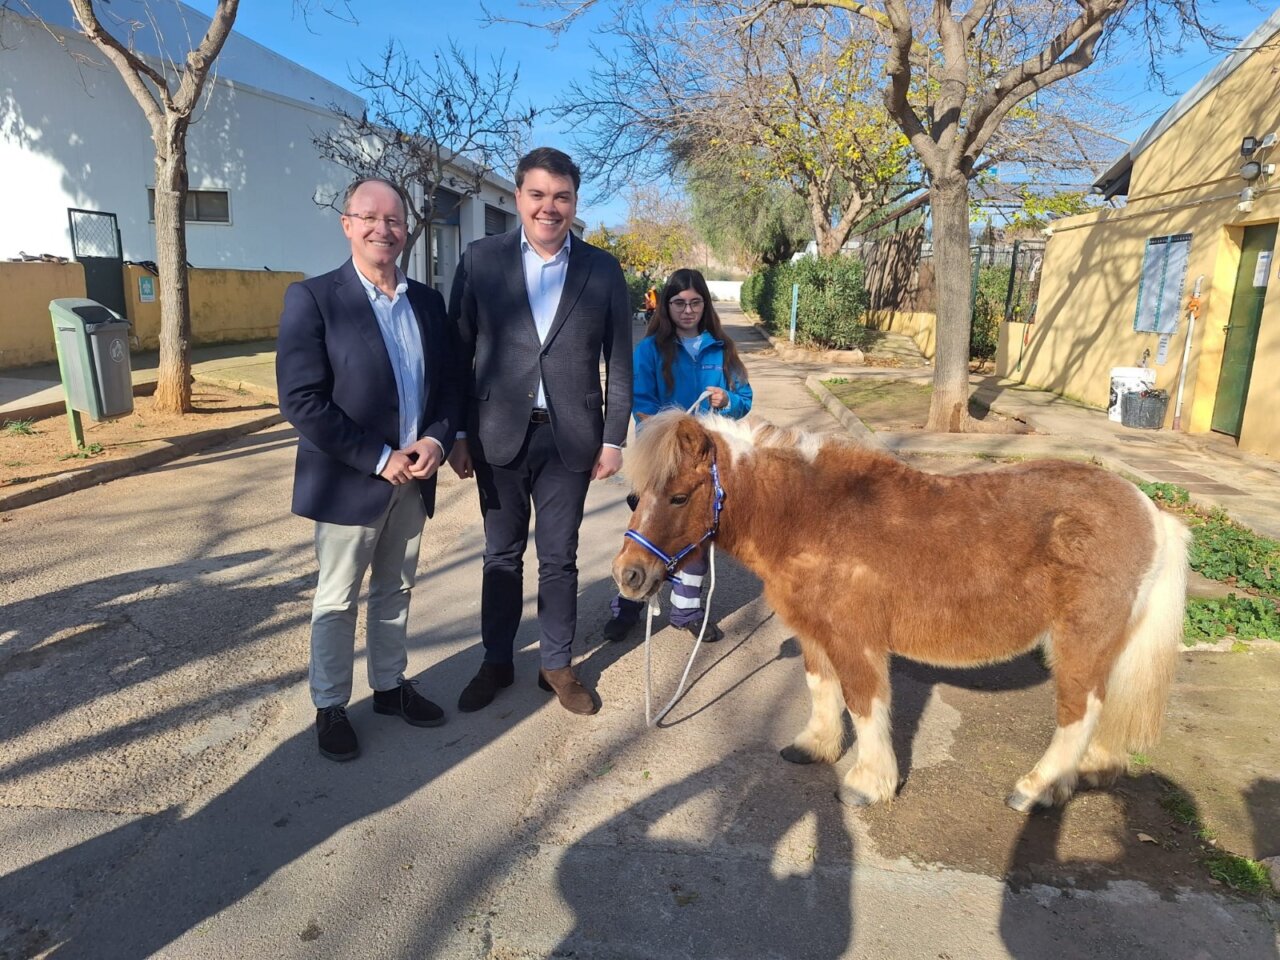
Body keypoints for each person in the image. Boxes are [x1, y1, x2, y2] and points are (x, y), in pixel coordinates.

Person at [277, 177, 461, 762]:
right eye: (370, 217)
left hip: (415, 476)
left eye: (395, 220)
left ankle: (389, 687)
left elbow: (450, 385)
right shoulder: (314, 299)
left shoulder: (427, 302)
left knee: (396, 588)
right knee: (337, 597)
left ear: (408, 230)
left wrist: (437, 437)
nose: (384, 228)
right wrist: (381, 459)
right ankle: (330, 705)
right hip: (351, 479)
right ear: (347, 224)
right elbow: (302, 400)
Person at [447, 147, 632, 716]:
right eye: (537, 194)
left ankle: (556, 664)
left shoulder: (602, 269)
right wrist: (455, 432)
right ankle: (496, 660)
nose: (549, 207)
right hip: (497, 433)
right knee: (501, 555)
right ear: (519, 196)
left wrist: (613, 437)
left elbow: (619, 360)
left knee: (560, 558)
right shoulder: (481, 259)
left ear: (575, 203)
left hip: (570, 437)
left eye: (562, 196)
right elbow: (457, 352)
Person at [602, 267, 753, 644]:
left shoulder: (722, 349)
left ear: (705, 305)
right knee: (649, 530)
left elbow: (745, 399)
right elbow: (641, 401)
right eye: (678, 303)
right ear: (665, 307)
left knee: (693, 537)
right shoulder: (650, 351)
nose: (687, 310)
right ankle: (629, 603)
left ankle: (686, 611)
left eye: (695, 302)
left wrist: (727, 400)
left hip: (703, 463)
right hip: (661, 460)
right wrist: (661, 432)